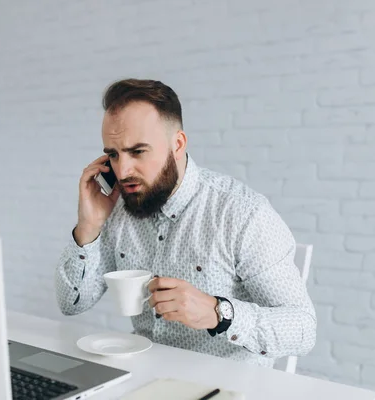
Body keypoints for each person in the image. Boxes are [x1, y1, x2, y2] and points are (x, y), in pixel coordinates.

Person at [54, 78, 316, 368]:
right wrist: (88, 226)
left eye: (138, 151)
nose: (123, 169)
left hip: (223, 385)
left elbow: (304, 330)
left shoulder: (242, 213)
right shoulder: (117, 208)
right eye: (113, 154)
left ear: (177, 144)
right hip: (144, 376)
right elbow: (72, 304)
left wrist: (219, 314)